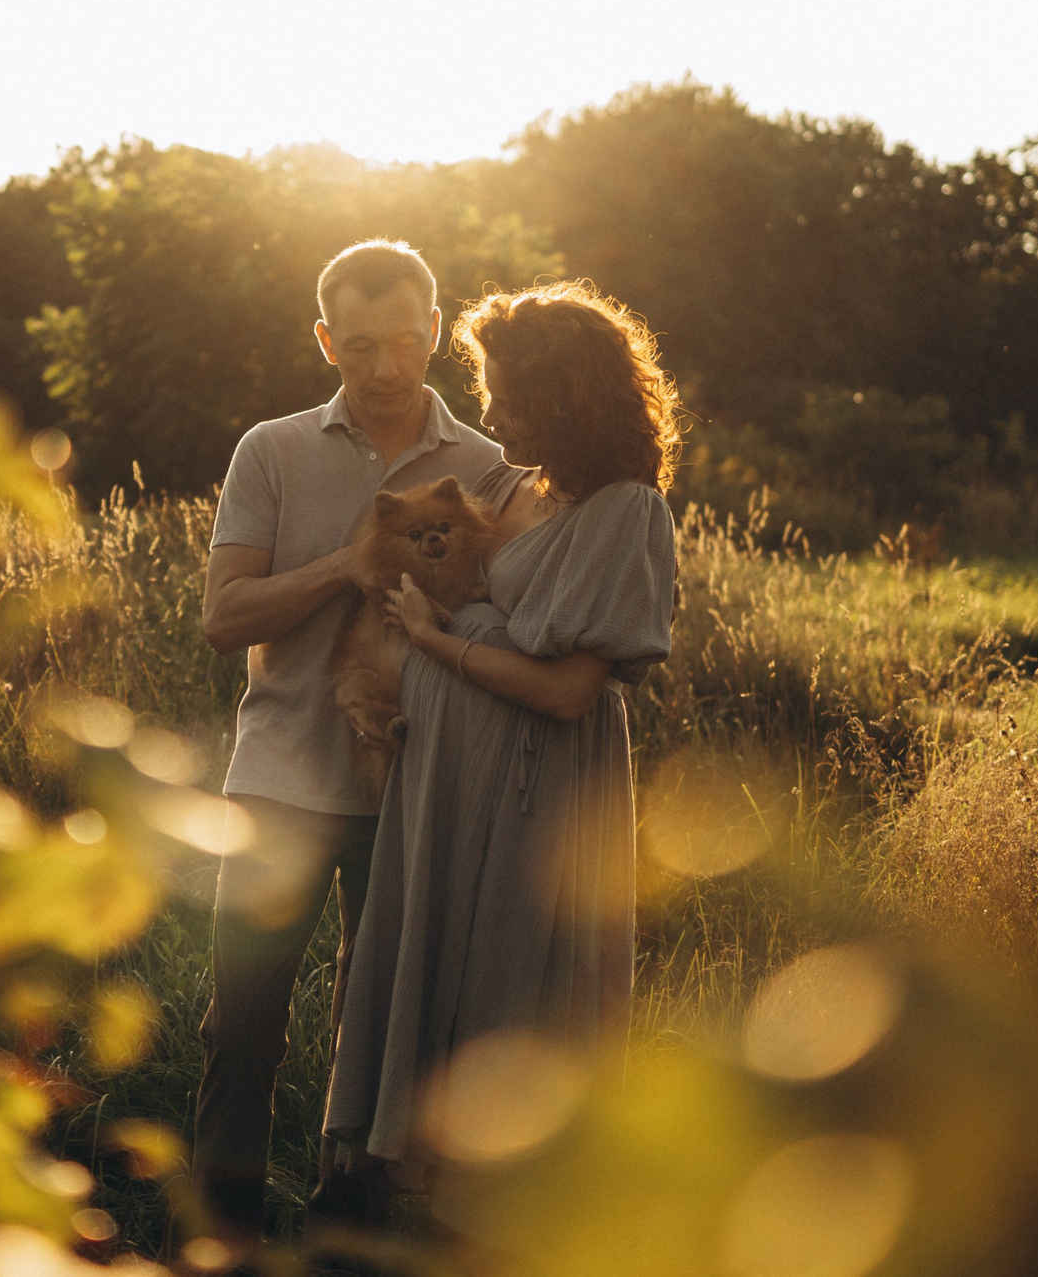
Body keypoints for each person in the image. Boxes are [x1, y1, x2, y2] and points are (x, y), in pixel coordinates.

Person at [321, 280, 681, 1209]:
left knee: (511, 988)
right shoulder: (506, 483)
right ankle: (406, 1211)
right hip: (441, 786)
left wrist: (435, 641)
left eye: (513, 395)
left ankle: (499, 1220)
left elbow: (567, 691)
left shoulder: (623, 508)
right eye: (489, 389)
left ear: (569, 400)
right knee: (432, 975)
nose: (493, 412)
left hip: (538, 795)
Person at [194, 239, 508, 1241]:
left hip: (417, 785)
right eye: (358, 345)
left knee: (384, 1032)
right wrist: (347, 565)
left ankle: (351, 1228)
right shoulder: (272, 450)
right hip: (279, 779)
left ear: (436, 331)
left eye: (405, 342)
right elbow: (224, 617)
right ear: (325, 340)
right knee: (240, 1026)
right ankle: (220, 1233)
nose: (383, 368)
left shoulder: (488, 468)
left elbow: (508, 620)